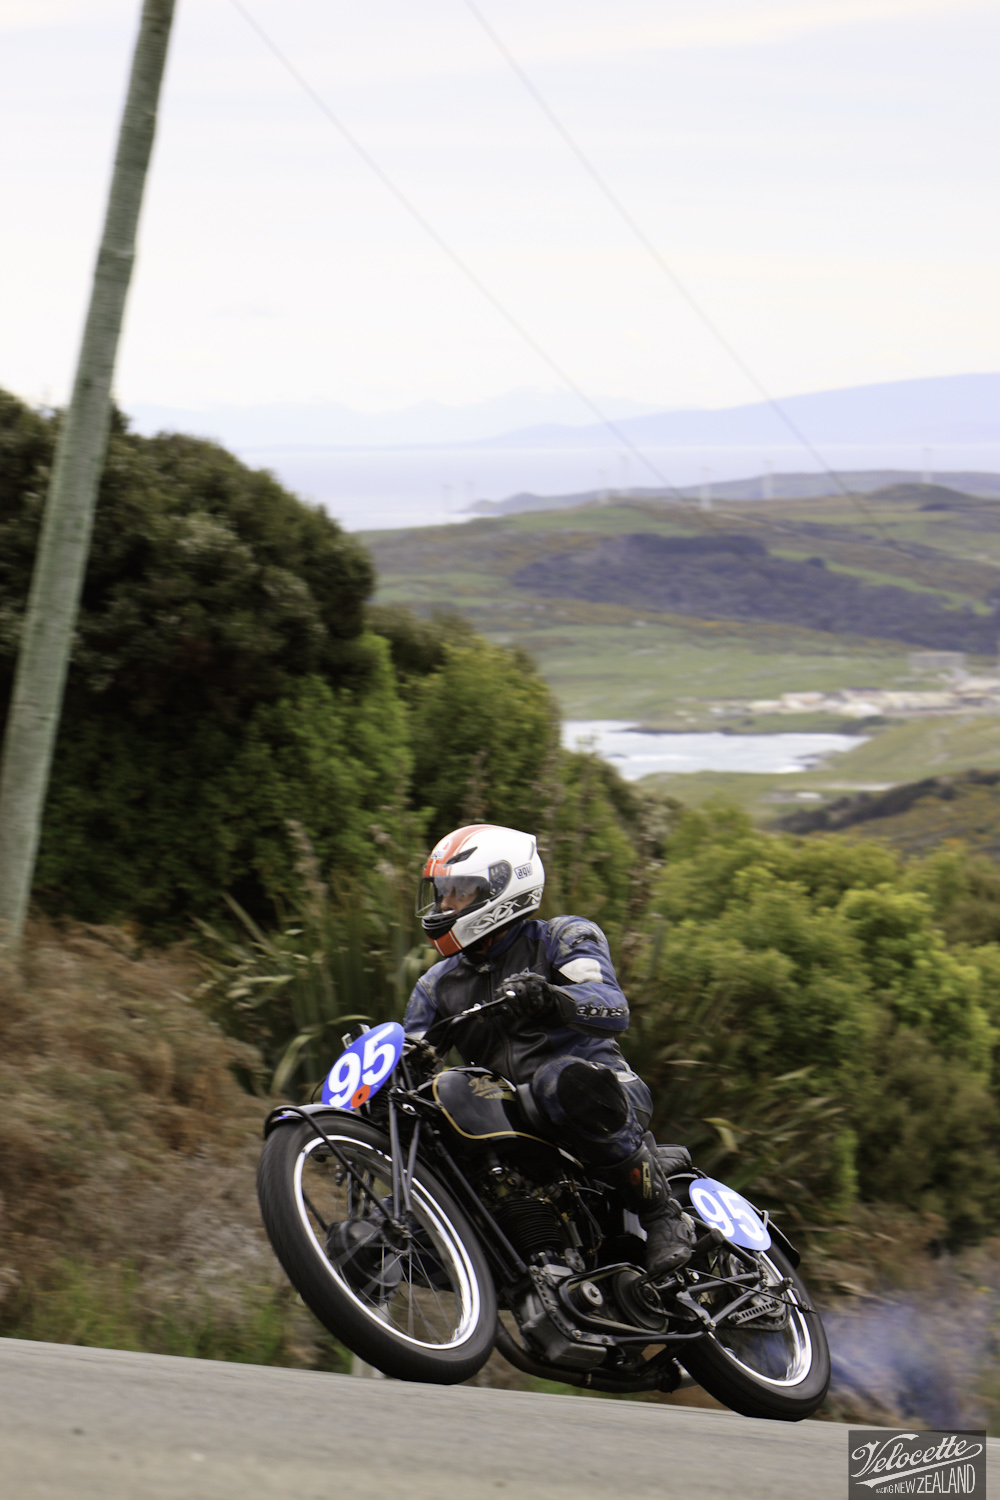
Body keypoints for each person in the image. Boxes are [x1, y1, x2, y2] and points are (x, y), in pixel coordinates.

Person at [405, 822, 695, 1277]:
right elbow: (414, 1054)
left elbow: (612, 1006)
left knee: (556, 1081)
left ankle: (662, 1215)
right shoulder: (436, 985)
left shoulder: (563, 937)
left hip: (603, 1090)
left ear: (503, 887)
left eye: (458, 891)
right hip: (512, 1117)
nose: (444, 904)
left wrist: (553, 998)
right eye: (441, 892)